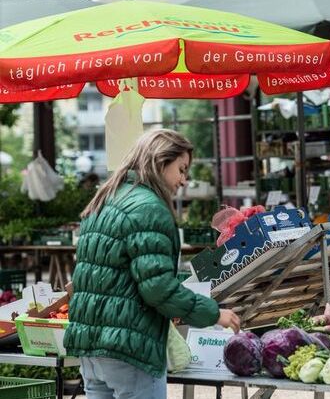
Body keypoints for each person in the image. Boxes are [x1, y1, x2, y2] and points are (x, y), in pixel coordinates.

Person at [64, 129, 241, 399]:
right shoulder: (149, 208)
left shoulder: (104, 200)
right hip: (129, 350)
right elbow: (157, 287)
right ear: (160, 161)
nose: (183, 180)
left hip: (91, 348)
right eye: (181, 169)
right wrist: (214, 314)